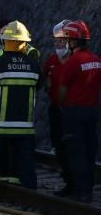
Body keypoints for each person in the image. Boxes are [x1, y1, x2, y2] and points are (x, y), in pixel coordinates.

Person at [0, 21, 40, 197]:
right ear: (24, 42)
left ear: (6, 41)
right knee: (25, 159)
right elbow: (40, 86)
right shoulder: (33, 64)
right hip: (24, 125)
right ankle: (31, 191)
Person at [54, 20, 100, 202]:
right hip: (92, 111)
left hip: (74, 112)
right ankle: (86, 188)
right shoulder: (96, 60)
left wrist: (59, 104)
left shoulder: (73, 62)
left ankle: (80, 191)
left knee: (75, 151)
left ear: (72, 41)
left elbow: (62, 91)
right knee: (89, 150)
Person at [43, 19, 73, 193]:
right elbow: (46, 78)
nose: (58, 44)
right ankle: (67, 179)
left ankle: (74, 181)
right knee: (59, 145)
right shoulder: (52, 60)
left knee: (72, 147)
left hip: (71, 110)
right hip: (55, 108)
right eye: (56, 41)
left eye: (62, 40)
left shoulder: (76, 60)